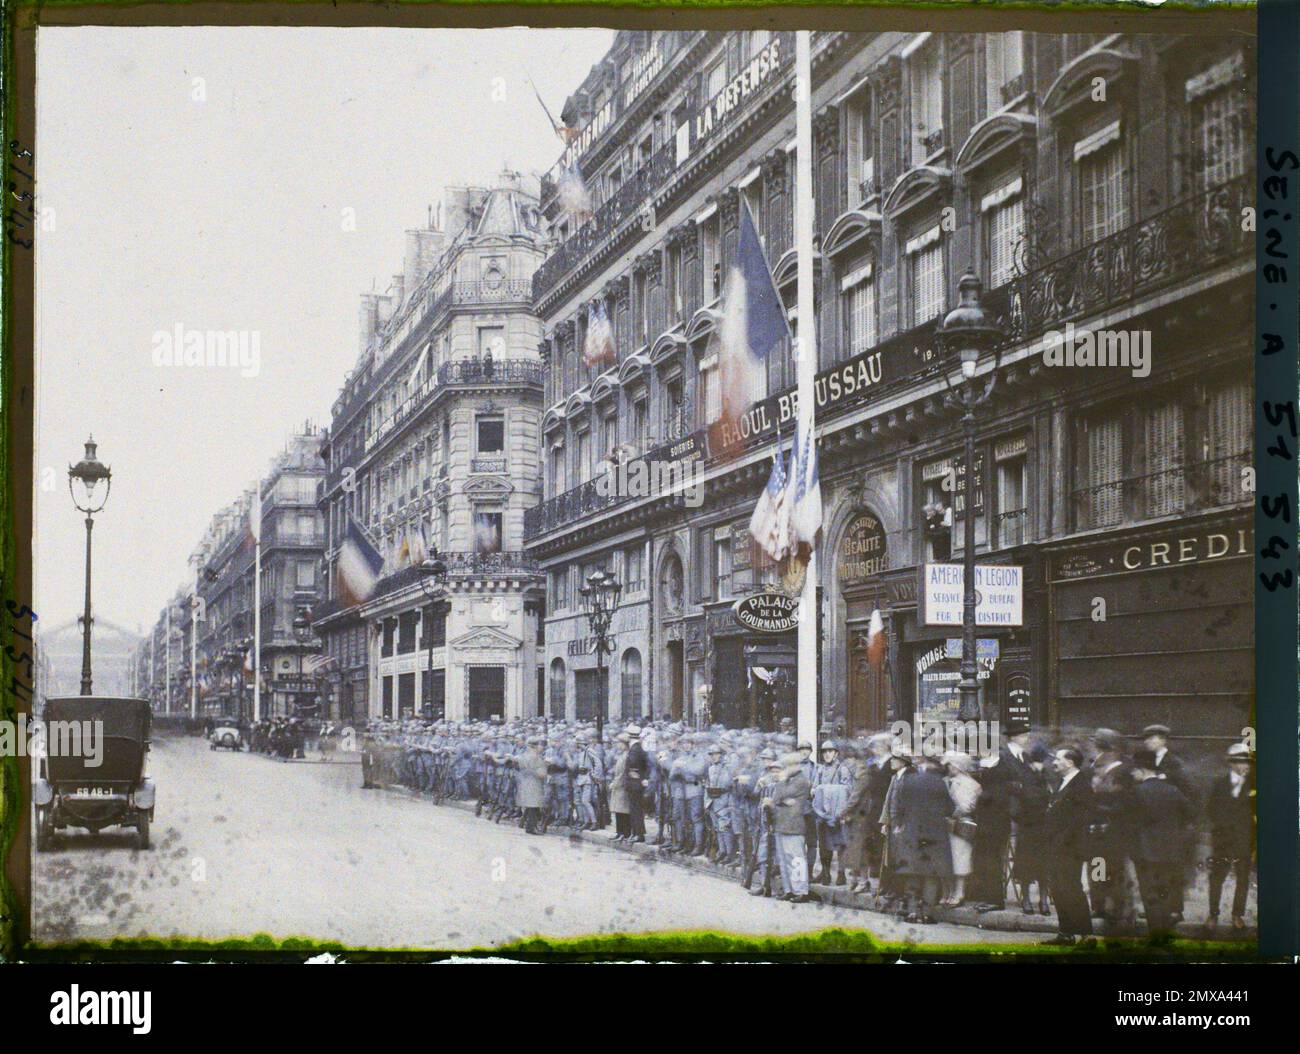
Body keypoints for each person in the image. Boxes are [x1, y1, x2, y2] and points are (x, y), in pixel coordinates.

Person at [884, 753, 953, 923]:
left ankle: (913, 912)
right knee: (931, 873)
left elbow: (898, 806)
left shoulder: (909, 781)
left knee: (913, 872)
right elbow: (949, 808)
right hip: (935, 836)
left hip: (912, 833)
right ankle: (928, 914)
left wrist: (899, 825)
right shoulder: (940, 783)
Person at [1129, 759, 1194, 940]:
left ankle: (1156, 933)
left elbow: (1128, 821)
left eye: (1135, 772)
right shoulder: (1172, 790)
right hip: (1170, 850)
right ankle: (1165, 931)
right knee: (1164, 891)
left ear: (1142, 770)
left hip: (1144, 851)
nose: (1133, 775)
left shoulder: (1136, 791)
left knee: (1149, 892)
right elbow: (1191, 812)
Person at [1043, 746, 1095, 946]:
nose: (1054, 762)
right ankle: (1066, 933)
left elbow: (1081, 819)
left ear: (1070, 762)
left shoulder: (1081, 785)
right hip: (1057, 845)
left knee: (1071, 888)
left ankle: (1086, 935)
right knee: (1058, 887)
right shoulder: (1063, 782)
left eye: (1057, 759)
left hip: (1069, 847)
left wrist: (1060, 840)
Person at [1205, 742, 1255, 931]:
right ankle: (1213, 914)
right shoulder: (1219, 783)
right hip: (1223, 841)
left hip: (1244, 840)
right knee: (1217, 878)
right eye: (1241, 762)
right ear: (1231, 763)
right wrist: (1222, 827)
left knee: (1243, 878)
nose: (1245, 766)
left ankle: (1237, 915)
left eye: (1248, 763)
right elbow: (1210, 810)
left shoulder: (1254, 784)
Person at [768, 752, 815, 903]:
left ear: (796, 766)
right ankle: (789, 890)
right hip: (782, 824)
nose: (785, 769)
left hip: (794, 825)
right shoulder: (788, 781)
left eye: (788, 766)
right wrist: (782, 799)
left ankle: (801, 890)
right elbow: (776, 799)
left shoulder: (801, 781)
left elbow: (781, 795)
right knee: (784, 860)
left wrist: (781, 786)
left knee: (796, 860)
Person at [942, 751, 981, 907]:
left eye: (951, 764)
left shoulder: (972, 784)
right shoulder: (944, 780)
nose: (948, 767)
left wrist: (951, 801)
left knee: (960, 859)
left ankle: (959, 892)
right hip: (945, 824)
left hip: (961, 825)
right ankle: (948, 891)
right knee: (946, 859)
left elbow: (967, 807)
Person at [811, 740, 853, 885]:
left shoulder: (843, 769)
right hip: (823, 813)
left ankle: (841, 874)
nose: (827, 754)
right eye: (824, 752)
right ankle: (826, 873)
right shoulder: (821, 770)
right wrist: (818, 790)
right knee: (824, 844)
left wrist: (827, 790)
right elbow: (815, 788)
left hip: (838, 813)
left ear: (836, 753)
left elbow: (847, 789)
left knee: (841, 844)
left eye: (830, 751)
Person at [516, 736, 548, 834]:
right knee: (534, 806)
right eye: (540, 745)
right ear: (535, 746)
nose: (541, 748)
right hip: (534, 783)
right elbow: (542, 774)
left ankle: (528, 826)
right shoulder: (536, 758)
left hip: (524, 782)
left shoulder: (523, 756)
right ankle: (531, 827)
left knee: (529, 806)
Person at [624, 725, 648, 842]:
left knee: (636, 809)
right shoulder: (636, 748)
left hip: (635, 783)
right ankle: (637, 832)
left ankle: (638, 833)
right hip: (635, 783)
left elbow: (633, 765)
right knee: (635, 809)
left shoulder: (635, 750)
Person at [609, 734, 632, 841]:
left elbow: (623, 773)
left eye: (620, 743)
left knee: (623, 811)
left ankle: (625, 832)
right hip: (618, 786)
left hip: (622, 787)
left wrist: (615, 783)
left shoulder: (627, 756)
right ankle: (619, 832)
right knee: (618, 810)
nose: (618, 745)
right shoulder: (622, 755)